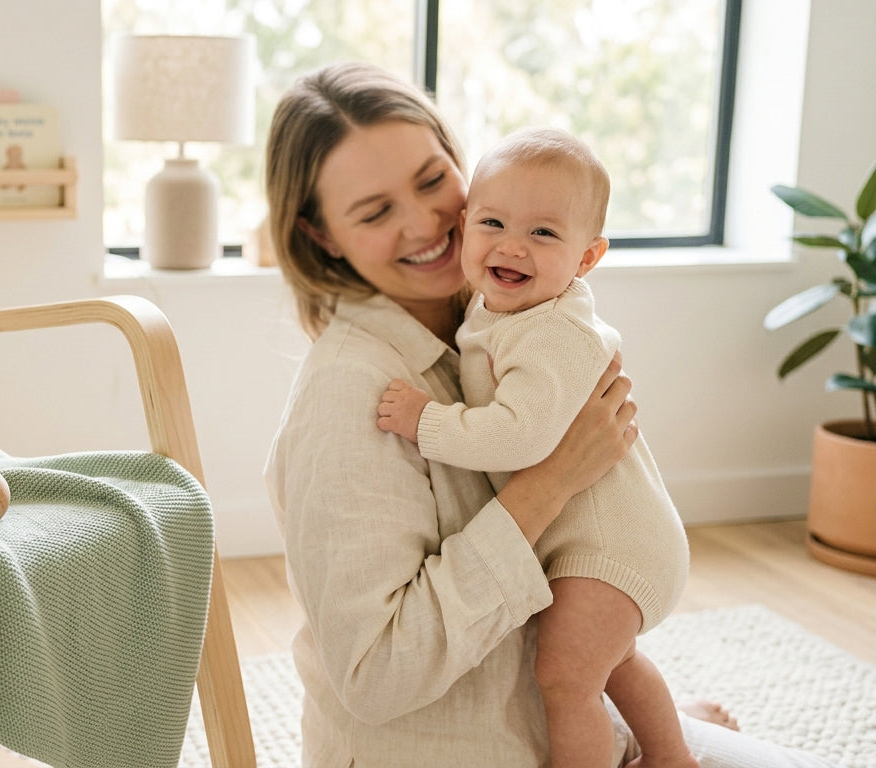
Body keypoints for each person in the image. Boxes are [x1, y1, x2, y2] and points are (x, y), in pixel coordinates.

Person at [262, 61, 837, 768]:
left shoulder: (496, 320)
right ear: (322, 236)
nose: (426, 223)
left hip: (566, 724)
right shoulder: (352, 397)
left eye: (433, 180)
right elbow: (375, 676)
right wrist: (552, 481)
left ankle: (652, 725)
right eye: (375, 212)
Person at [374, 126, 691, 768]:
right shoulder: (506, 309)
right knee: (613, 663)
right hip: (602, 545)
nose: (513, 245)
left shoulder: (556, 333)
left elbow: (521, 435)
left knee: (565, 678)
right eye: (493, 222)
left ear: (586, 258)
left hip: (610, 551)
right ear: (464, 228)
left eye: (544, 233)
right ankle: (671, 755)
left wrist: (426, 420)